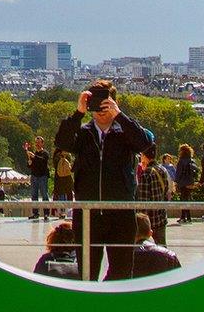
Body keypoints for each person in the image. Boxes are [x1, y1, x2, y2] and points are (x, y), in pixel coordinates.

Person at [53, 79, 155, 282]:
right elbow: (61, 142)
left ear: (113, 103)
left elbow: (144, 144)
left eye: (104, 103)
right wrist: (78, 113)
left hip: (121, 214)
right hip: (88, 214)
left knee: (122, 274)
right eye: (95, 104)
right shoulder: (83, 133)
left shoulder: (125, 133)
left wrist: (120, 116)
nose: (100, 109)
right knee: (87, 275)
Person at [135, 147, 170, 246]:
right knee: (162, 248)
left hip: (149, 220)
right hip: (161, 216)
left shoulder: (147, 174)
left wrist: (141, 220)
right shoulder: (162, 169)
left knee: (142, 249)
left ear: (145, 157)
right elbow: (166, 191)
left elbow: (143, 200)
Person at [173, 145, 198, 222]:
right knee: (187, 199)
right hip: (190, 182)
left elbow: (178, 172)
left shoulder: (181, 161)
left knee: (183, 199)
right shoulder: (192, 160)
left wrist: (176, 182)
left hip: (183, 182)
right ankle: (188, 217)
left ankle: (183, 217)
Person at [27, 139, 50, 219]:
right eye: (36, 142)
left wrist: (34, 156)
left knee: (44, 195)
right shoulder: (34, 153)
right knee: (34, 195)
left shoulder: (45, 153)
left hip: (43, 176)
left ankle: (46, 213)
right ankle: (35, 213)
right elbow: (31, 165)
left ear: (42, 143)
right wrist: (29, 163)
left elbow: (43, 161)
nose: (37, 144)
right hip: (34, 176)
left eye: (39, 142)